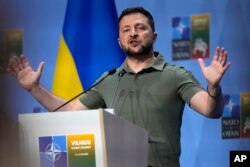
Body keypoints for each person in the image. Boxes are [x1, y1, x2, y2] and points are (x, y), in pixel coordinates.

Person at [7, 7, 230, 167]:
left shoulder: (176, 75)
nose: (132, 33)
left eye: (140, 28)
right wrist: (35, 89)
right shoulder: (109, 79)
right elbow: (70, 112)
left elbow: (212, 110)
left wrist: (214, 86)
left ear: (154, 36)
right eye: (126, 30)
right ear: (119, 41)